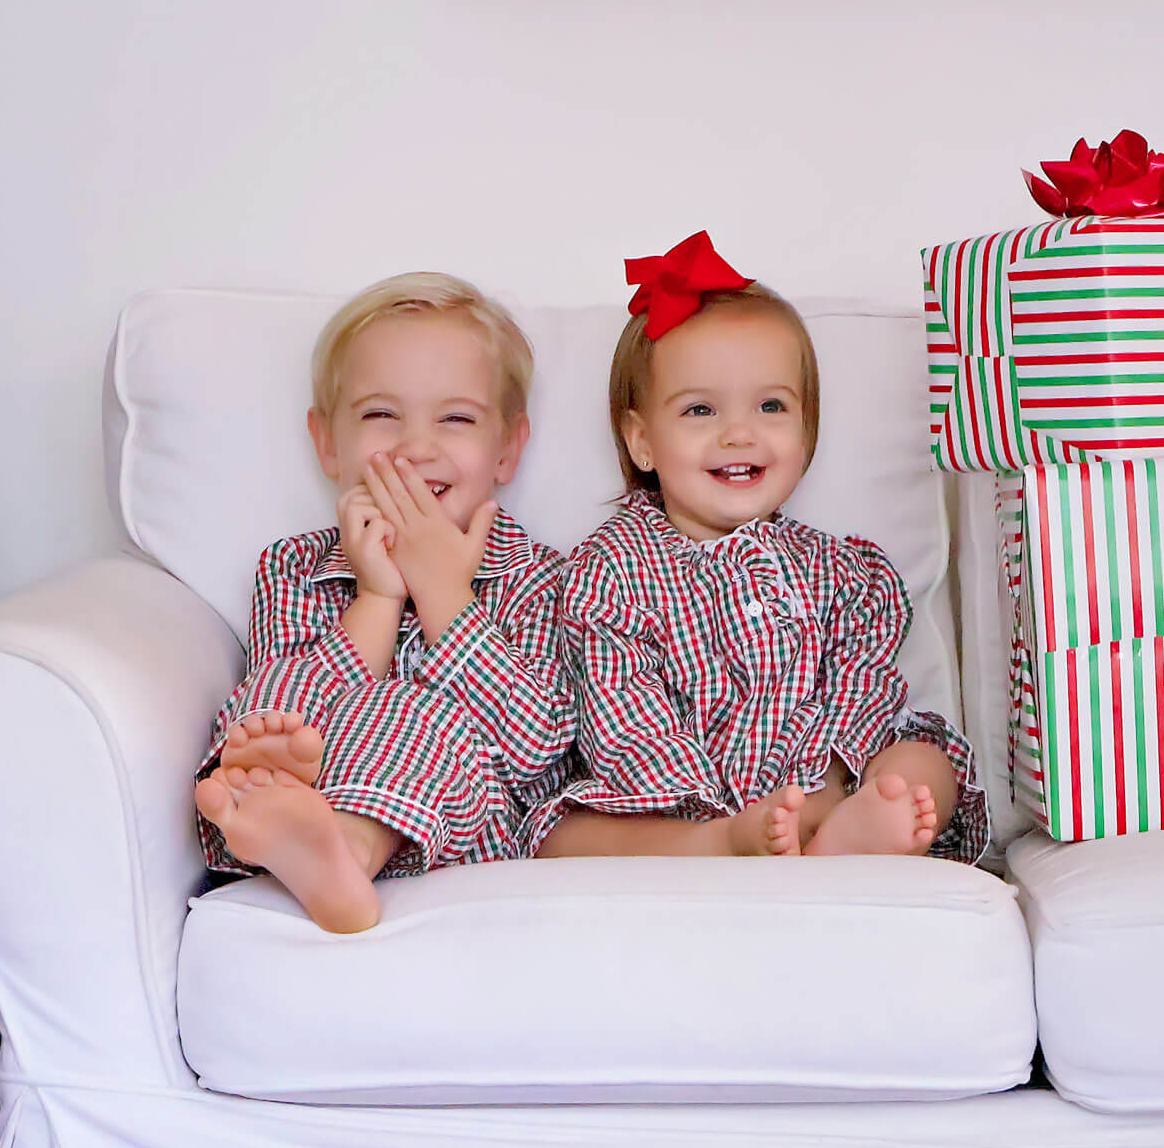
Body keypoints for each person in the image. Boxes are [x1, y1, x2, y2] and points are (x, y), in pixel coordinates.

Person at [525, 231, 988, 864]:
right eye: (699, 411)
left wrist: (820, 790)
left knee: (926, 758)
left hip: (820, 781)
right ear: (643, 443)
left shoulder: (843, 572)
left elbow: (862, 686)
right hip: (671, 808)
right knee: (560, 834)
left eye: (771, 406)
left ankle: (841, 833)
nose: (739, 434)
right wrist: (727, 812)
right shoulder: (609, 570)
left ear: (806, 430)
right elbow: (622, 720)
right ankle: (729, 844)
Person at [194, 273, 577, 932]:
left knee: (406, 705)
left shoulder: (540, 577)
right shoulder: (292, 568)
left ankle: (341, 850)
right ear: (327, 443)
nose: (415, 446)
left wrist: (443, 594)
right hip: (303, 782)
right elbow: (278, 714)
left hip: (469, 835)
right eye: (380, 414)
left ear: (507, 449)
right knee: (269, 712)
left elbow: (539, 752)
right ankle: (292, 823)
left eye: (455, 418)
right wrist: (376, 595)